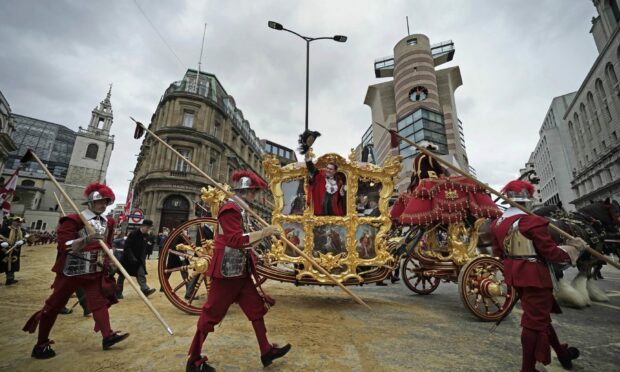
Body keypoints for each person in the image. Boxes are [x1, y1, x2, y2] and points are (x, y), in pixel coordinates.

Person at [186, 170, 291, 372]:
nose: (255, 196)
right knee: (211, 314)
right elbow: (235, 241)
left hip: (241, 271)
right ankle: (194, 359)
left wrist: (264, 238)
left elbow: (246, 240)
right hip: (226, 272)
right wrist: (263, 232)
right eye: (253, 192)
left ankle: (266, 350)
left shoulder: (242, 210)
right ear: (245, 191)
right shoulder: (230, 209)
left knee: (255, 308)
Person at [22, 183, 128, 359]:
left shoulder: (108, 222)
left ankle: (107, 335)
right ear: (91, 202)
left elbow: (107, 245)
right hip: (72, 269)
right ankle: (41, 344)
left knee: (98, 302)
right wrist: (87, 239)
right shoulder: (73, 220)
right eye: (101, 201)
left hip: (94, 269)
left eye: (106, 202)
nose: (104, 205)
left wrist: (110, 259)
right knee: (54, 305)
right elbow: (64, 245)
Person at [490, 180, 586, 371]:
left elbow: (498, 253)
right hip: (536, 277)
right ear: (528, 199)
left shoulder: (497, 223)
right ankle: (527, 369)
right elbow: (551, 253)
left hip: (516, 276)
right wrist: (575, 249)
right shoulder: (531, 221)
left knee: (540, 318)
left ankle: (561, 353)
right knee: (534, 322)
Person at [117, 220, 156, 299]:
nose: (148, 229)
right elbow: (127, 247)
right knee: (122, 276)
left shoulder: (146, 236)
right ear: (143, 226)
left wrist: (143, 258)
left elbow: (144, 248)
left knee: (141, 274)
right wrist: (131, 257)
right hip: (127, 259)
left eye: (149, 228)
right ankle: (118, 292)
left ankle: (145, 289)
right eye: (147, 227)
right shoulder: (133, 233)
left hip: (138, 260)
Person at [0, 216, 26, 285]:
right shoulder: (5, 229)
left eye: (20, 222)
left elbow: (25, 239)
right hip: (3, 251)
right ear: (12, 222)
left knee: (12, 265)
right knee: (1, 264)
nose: (19, 224)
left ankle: (10, 279)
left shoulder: (21, 230)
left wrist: (22, 241)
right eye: (17, 222)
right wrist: (2, 243)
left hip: (15, 252)